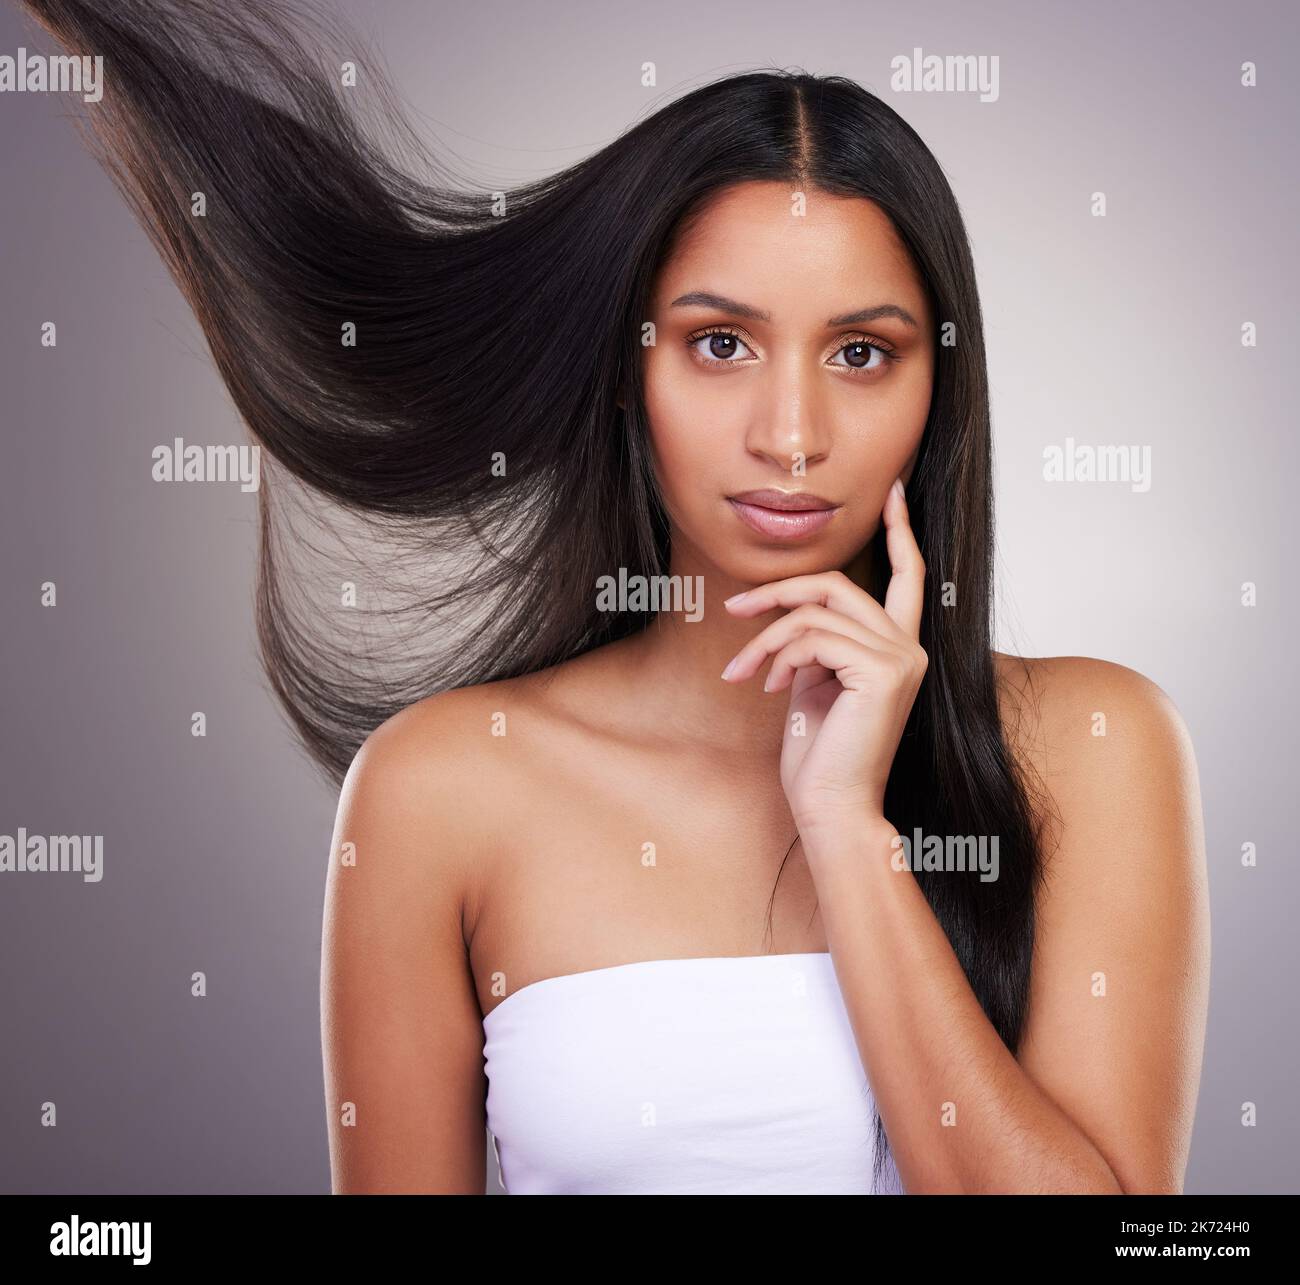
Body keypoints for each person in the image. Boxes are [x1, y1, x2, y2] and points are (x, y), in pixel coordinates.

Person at [22, 0, 1209, 1195]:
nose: (791, 435)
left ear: (938, 387)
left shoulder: (1096, 745)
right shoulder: (442, 787)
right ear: (629, 366)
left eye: (860, 353)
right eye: (719, 344)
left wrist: (850, 832)